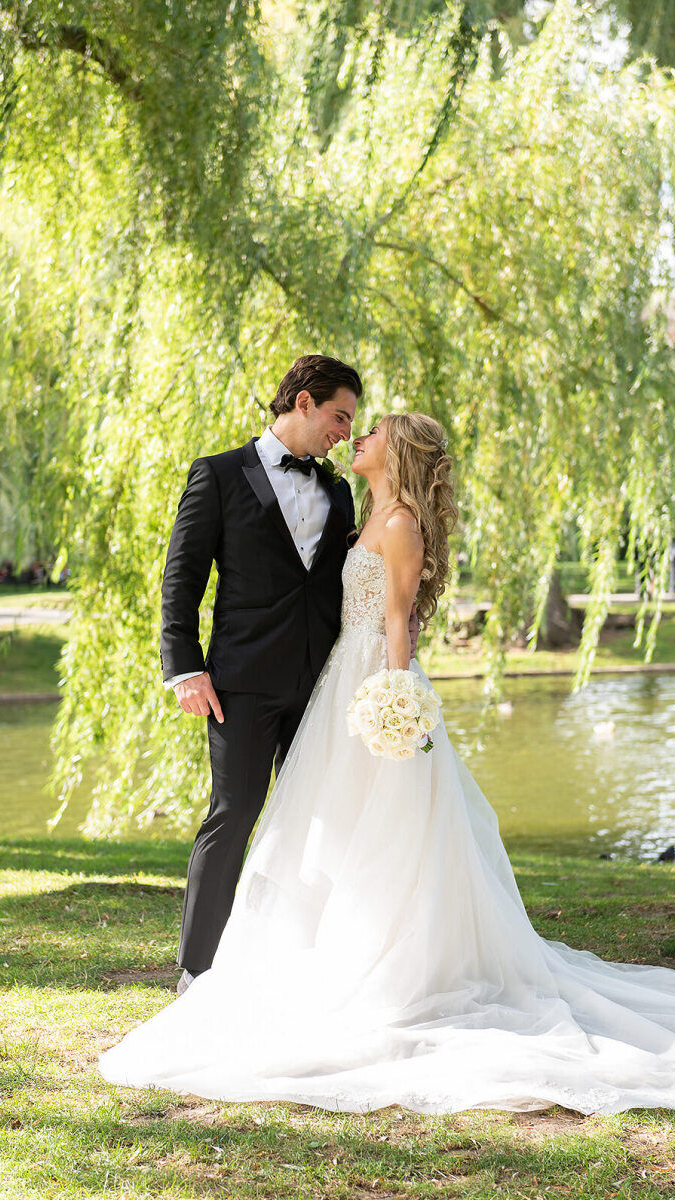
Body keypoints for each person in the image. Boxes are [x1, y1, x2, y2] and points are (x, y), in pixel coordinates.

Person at [98, 411, 675, 1116]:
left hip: (374, 681)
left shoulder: (394, 523)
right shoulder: (362, 507)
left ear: (397, 452)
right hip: (338, 679)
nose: (355, 438)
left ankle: (394, 971)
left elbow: (397, 618)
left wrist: (394, 698)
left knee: (387, 830)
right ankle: (292, 957)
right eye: (346, 422)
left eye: (370, 432)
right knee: (324, 827)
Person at [157, 355, 415, 996]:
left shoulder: (339, 490)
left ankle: (314, 966)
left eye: (352, 421)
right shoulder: (216, 475)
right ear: (302, 402)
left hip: (322, 688)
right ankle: (196, 973)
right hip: (238, 686)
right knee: (234, 813)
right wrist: (186, 668)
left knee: (322, 822)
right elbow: (181, 581)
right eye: (339, 415)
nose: (344, 431)